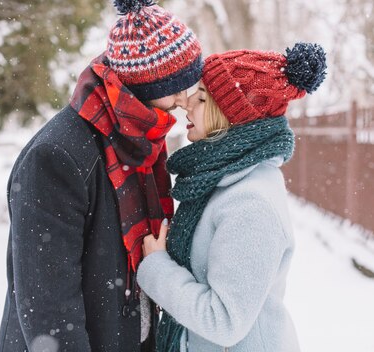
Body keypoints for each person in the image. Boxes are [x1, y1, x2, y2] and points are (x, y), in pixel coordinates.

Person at [0, 0, 203, 351]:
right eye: (177, 88)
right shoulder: (57, 158)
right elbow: (50, 312)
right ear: (144, 87)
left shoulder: (138, 141)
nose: (185, 100)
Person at [138, 43, 327, 352]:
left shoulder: (250, 204)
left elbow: (224, 322)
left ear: (228, 116)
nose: (186, 103)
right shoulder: (223, 180)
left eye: (200, 98)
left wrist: (157, 268)